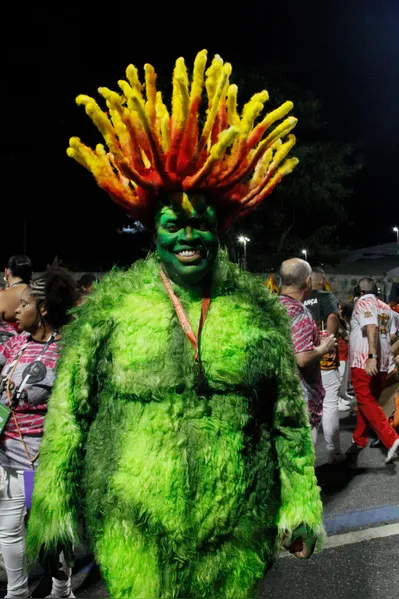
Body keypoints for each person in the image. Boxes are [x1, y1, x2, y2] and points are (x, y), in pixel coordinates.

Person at [26, 51, 323, 599]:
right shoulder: (111, 309)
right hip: (132, 528)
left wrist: (300, 502)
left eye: (200, 223)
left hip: (235, 533)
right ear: (151, 228)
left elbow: (287, 419)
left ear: (221, 227)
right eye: (174, 222)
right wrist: (52, 508)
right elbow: (69, 413)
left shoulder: (256, 314)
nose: (188, 235)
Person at [0, 266, 77, 599]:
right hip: (6, 456)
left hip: (39, 461)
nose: (16, 310)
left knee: (50, 535)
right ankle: (17, 593)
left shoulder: (66, 352)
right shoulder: (15, 344)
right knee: (8, 530)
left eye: (25, 304)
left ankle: (61, 590)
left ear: (43, 309)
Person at [279, 258, 337, 449]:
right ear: (307, 282)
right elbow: (302, 358)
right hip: (299, 401)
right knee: (303, 458)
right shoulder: (299, 312)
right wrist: (324, 347)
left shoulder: (271, 307)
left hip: (275, 396)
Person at [348, 277, 399, 462]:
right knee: (367, 404)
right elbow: (392, 334)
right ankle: (359, 438)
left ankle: (391, 438)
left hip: (365, 361)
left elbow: (371, 326)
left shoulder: (363, 301)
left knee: (366, 401)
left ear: (360, 291)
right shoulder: (386, 307)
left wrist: (371, 356)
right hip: (383, 362)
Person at [304, 267, 345, 460]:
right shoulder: (325, 296)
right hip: (325, 359)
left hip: (304, 357)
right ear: (322, 280)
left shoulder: (297, 299)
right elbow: (332, 317)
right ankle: (333, 452)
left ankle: (309, 458)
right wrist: (327, 340)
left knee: (307, 408)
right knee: (329, 404)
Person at [0, 256, 32, 347]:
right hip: (30, 347)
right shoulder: (37, 293)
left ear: (6, 272)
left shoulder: (2, 296)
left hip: (7, 349)